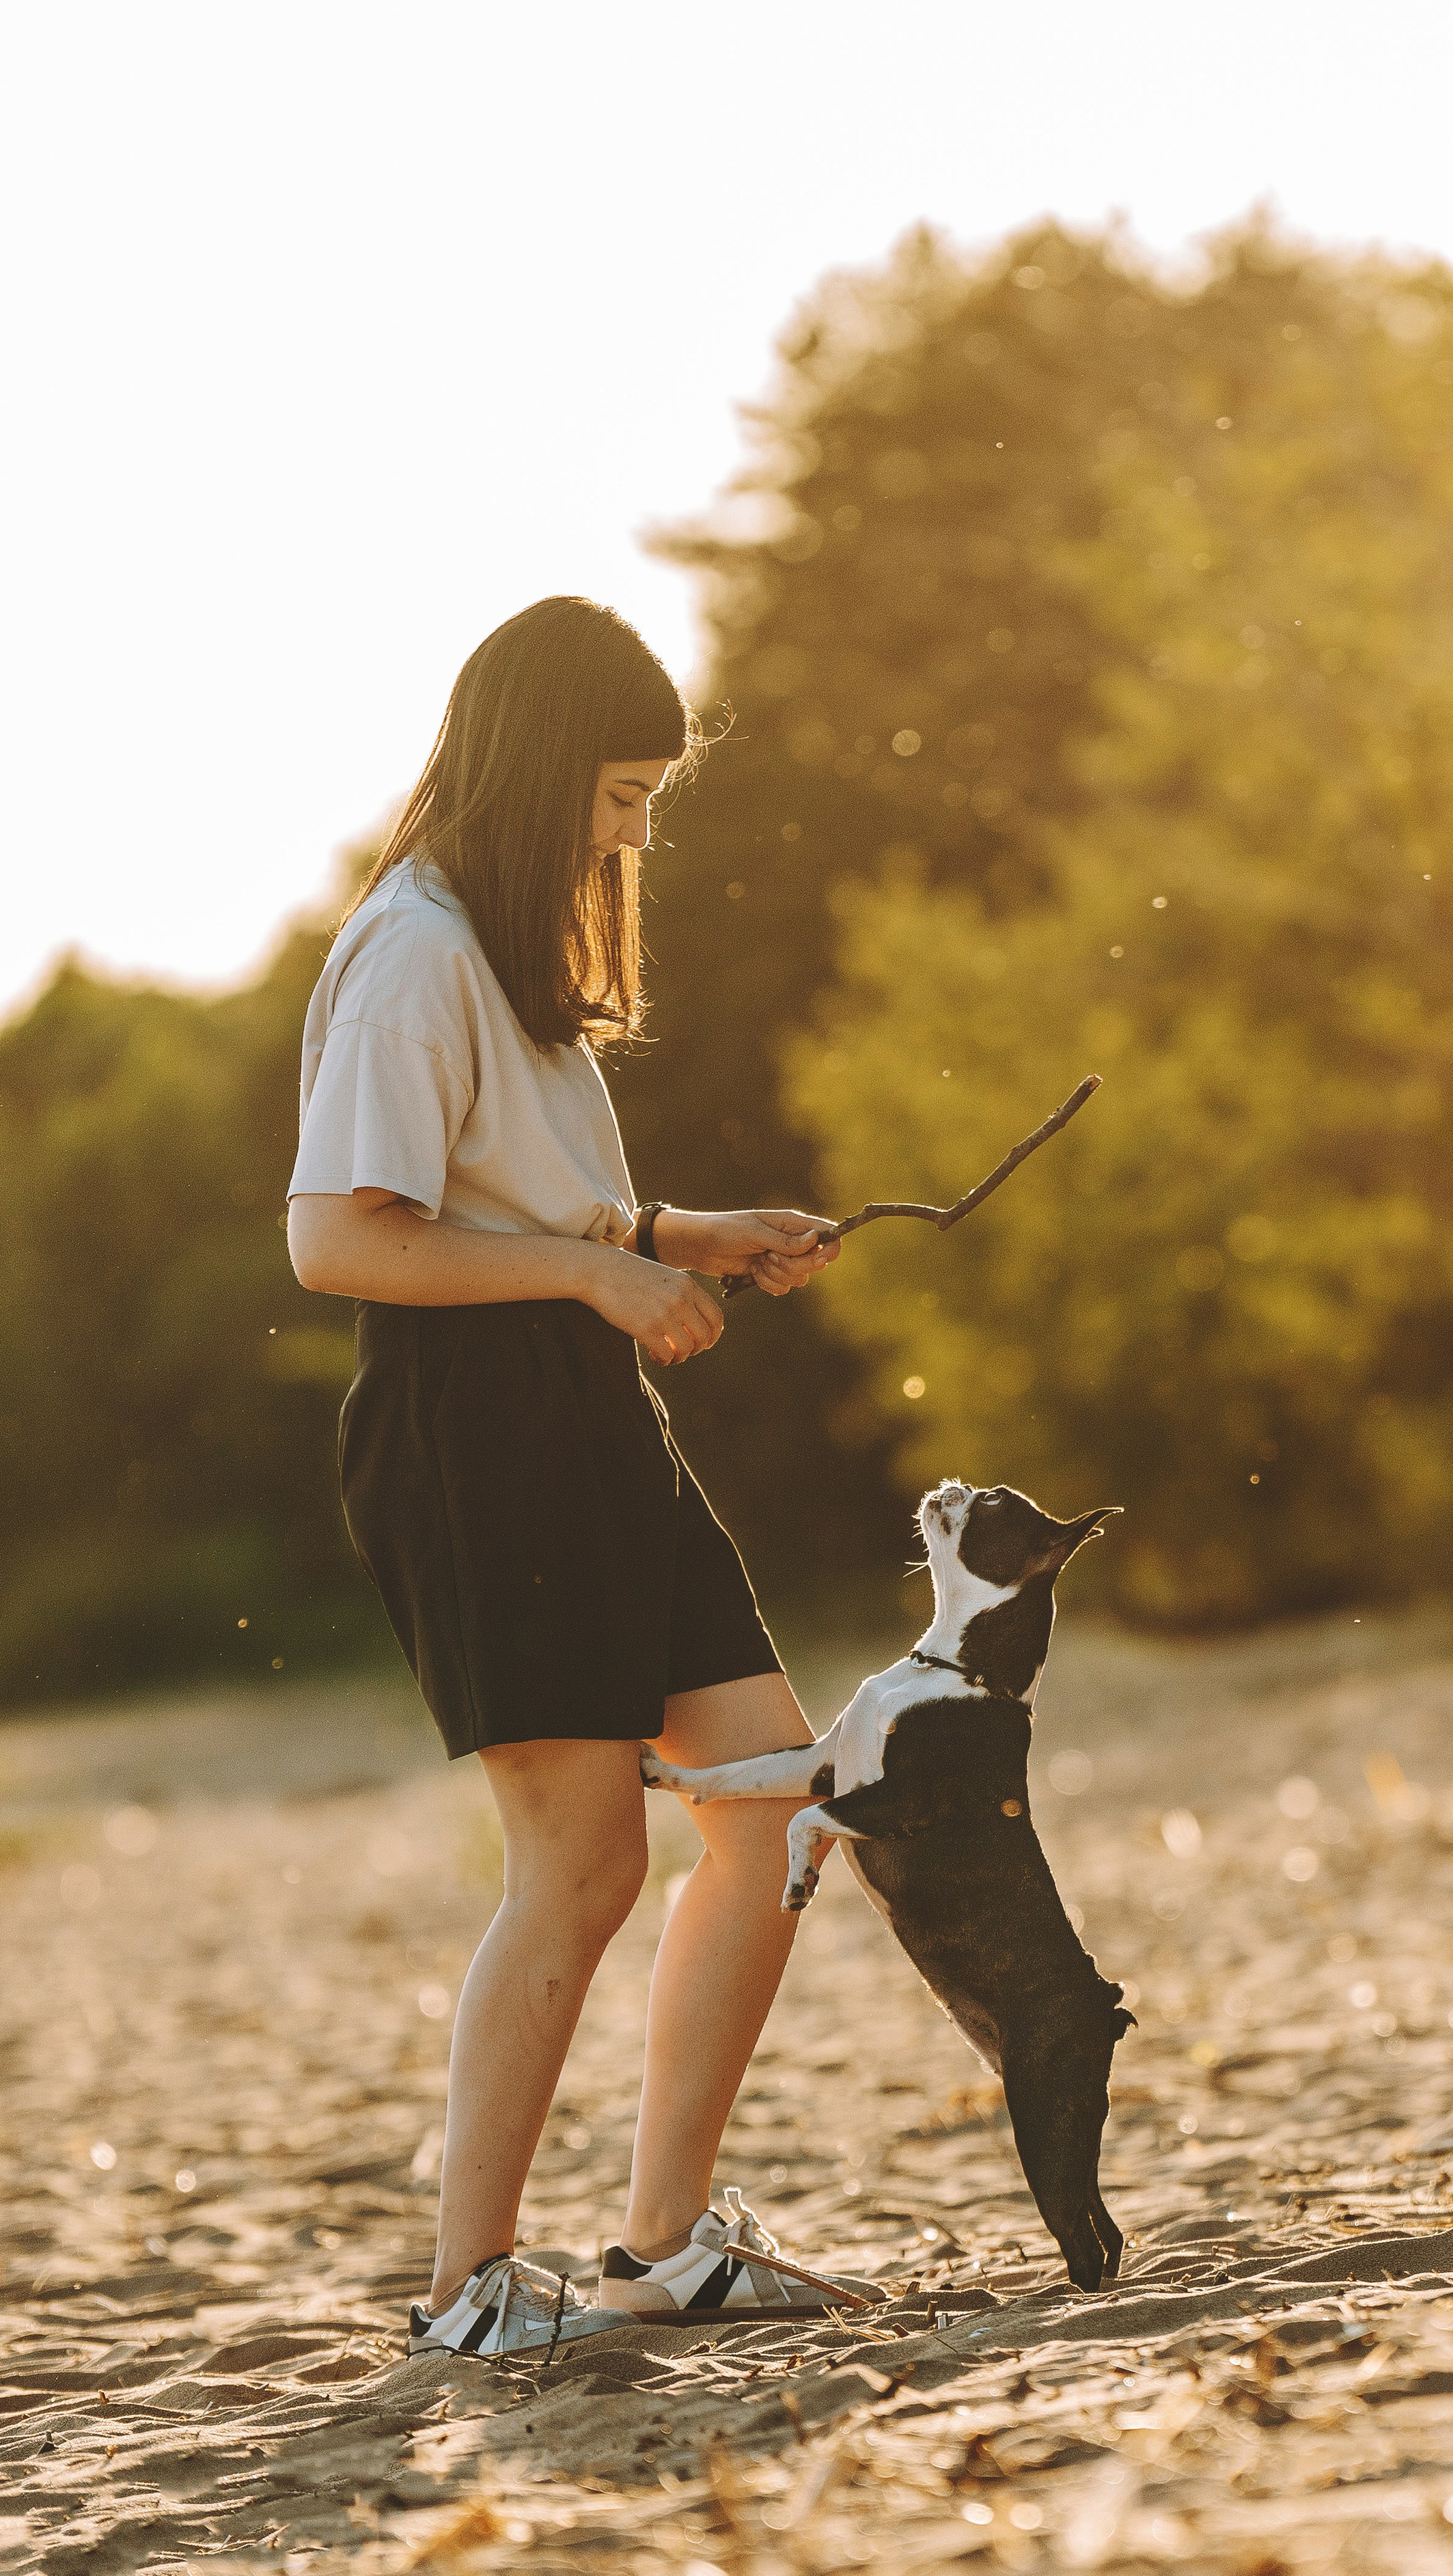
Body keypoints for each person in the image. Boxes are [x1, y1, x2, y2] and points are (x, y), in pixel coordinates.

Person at [287, 597, 866, 2355]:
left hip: (585, 1416)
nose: (630, 834)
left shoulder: (513, 946)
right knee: (583, 1862)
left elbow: (518, 1195)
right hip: (473, 1436)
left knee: (770, 1801)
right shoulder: (411, 952)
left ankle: (663, 2243)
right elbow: (337, 1242)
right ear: (543, 771)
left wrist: (678, 1233)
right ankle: (467, 2286)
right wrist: (599, 1277)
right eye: (618, 794)